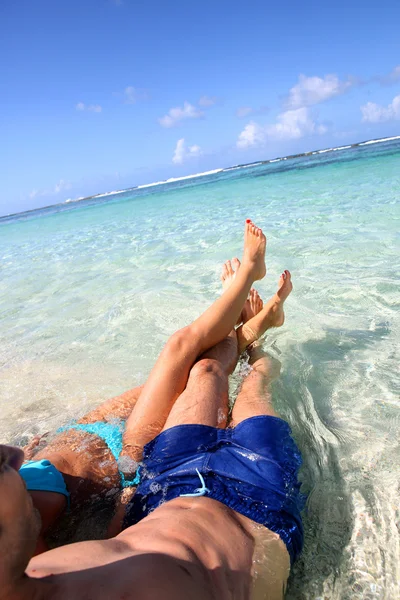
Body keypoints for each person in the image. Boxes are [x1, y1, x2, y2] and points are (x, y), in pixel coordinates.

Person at [0, 220, 302, 600]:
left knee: (198, 366)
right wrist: (131, 483)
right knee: (200, 361)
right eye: (1, 464)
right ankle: (249, 315)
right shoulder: (43, 552)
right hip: (159, 463)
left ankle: (249, 316)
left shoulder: (39, 562)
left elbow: (119, 542)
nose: (11, 452)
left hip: (122, 451)